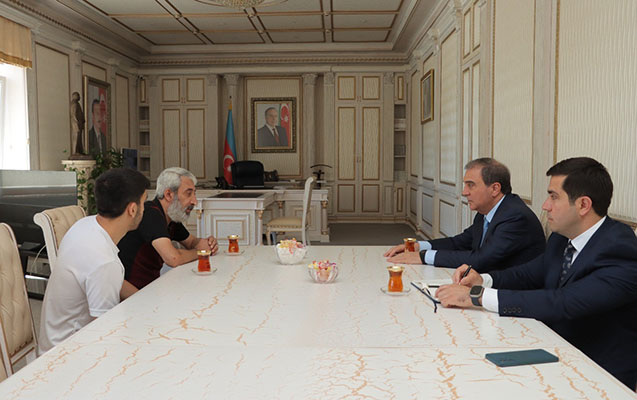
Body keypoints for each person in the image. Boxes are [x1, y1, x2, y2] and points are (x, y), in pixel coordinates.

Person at [436, 157, 637, 388]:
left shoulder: (619, 248)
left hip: (596, 373)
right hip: (550, 347)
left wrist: (477, 296)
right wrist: (483, 280)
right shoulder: (561, 238)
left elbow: (564, 302)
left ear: (583, 205)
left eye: (554, 197)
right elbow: (530, 274)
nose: (545, 205)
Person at [39, 168, 150, 353]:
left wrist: (147, 300)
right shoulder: (104, 262)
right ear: (132, 209)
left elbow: (112, 280)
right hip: (67, 354)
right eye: (144, 202)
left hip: (53, 340)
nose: (144, 209)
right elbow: (105, 332)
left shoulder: (85, 225)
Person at [385, 158, 545, 272]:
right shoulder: (487, 211)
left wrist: (423, 257)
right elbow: (459, 243)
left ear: (495, 189)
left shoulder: (515, 217)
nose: (464, 192)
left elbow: (481, 260)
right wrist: (418, 246)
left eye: (471, 185)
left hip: (512, 295)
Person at [118, 167, 219, 289]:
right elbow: (173, 258)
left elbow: (191, 242)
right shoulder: (151, 213)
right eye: (188, 194)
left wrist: (207, 243)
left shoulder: (171, 216)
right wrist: (202, 252)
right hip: (132, 292)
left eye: (194, 193)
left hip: (152, 287)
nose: (194, 201)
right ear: (169, 195)